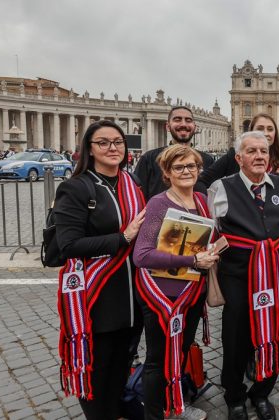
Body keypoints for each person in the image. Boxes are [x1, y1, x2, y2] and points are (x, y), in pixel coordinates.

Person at [53, 120, 146, 420]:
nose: (112, 148)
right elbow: (68, 245)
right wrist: (123, 238)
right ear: (89, 149)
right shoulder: (75, 188)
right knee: (98, 370)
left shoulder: (131, 184)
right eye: (103, 142)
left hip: (132, 295)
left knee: (121, 365)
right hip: (97, 296)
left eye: (118, 142)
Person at [208, 131, 279, 420]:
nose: (260, 156)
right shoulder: (221, 188)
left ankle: (262, 392)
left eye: (264, 151)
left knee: (272, 333)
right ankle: (234, 395)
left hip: (274, 274)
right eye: (252, 151)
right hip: (237, 276)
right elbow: (211, 231)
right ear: (239, 158)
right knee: (236, 339)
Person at [133, 145, 218, 419]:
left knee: (180, 352)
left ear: (199, 169)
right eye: (179, 167)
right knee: (157, 360)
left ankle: (176, 405)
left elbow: (205, 241)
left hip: (192, 292)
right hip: (162, 295)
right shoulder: (158, 203)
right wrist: (192, 261)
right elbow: (142, 254)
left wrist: (215, 250)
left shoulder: (203, 200)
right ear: (167, 173)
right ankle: (155, 415)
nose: (186, 172)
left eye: (191, 166)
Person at [135, 106, 215, 199]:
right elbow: (137, 195)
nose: (183, 124)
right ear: (168, 127)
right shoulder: (149, 158)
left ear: (195, 127)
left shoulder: (207, 160)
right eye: (177, 120)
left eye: (188, 120)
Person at [199, 112, 279, 188]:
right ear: (251, 132)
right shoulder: (234, 156)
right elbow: (202, 181)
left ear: (275, 134)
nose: (265, 133)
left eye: (270, 129)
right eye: (260, 129)